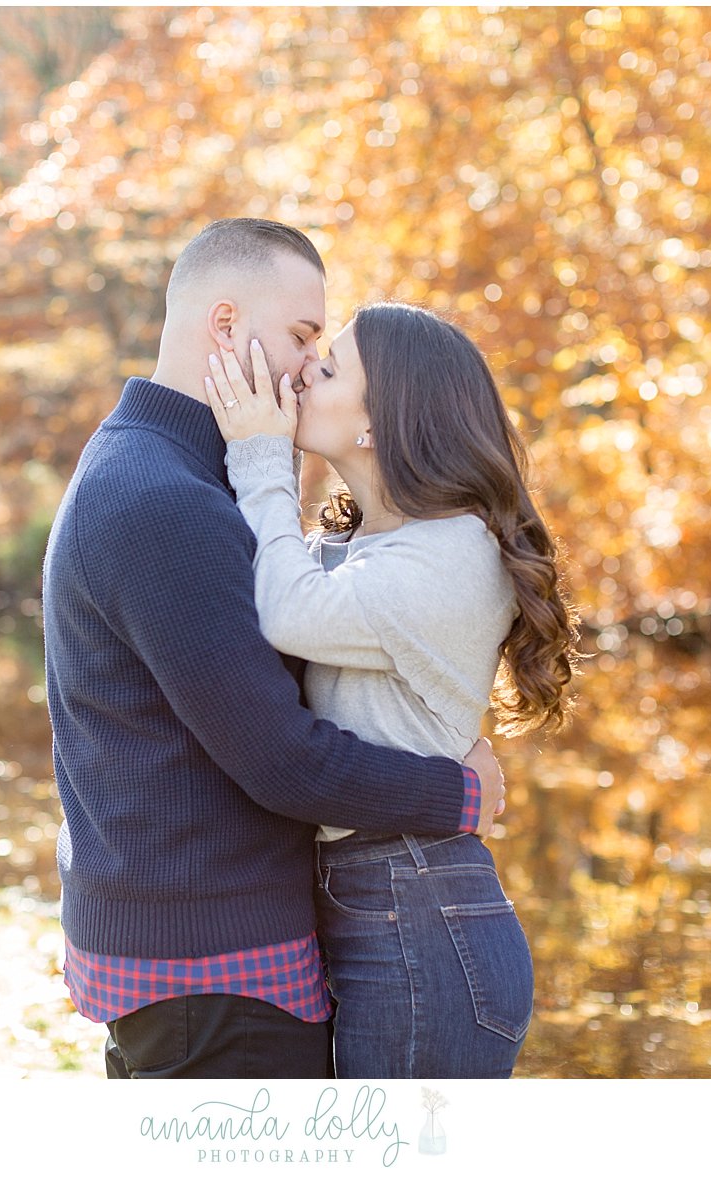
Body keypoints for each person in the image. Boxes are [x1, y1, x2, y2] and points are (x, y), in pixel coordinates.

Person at [41, 218, 506, 1079]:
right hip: (212, 965)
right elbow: (280, 760)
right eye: (301, 337)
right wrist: (458, 790)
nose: (306, 366)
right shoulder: (160, 499)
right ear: (224, 325)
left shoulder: (168, 471)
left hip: (208, 950)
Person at [204, 301, 581, 1077]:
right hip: (380, 897)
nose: (306, 367)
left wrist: (261, 457)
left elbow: (284, 608)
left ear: (382, 422)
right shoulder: (377, 544)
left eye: (330, 365)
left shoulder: (448, 556)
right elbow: (278, 569)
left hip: (417, 909)